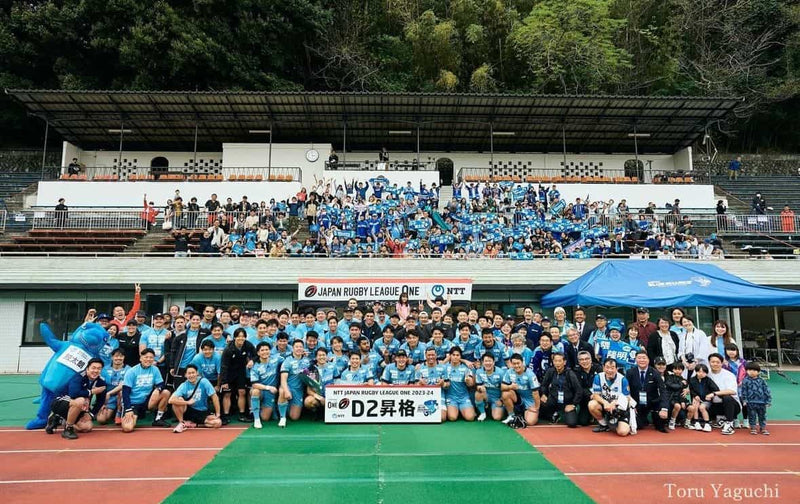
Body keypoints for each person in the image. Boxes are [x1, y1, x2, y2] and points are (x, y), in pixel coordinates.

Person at [45, 358, 106, 439]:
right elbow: (73, 394)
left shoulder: (101, 381)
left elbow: (101, 400)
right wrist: (91, 392)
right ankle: (68, 429)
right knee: (80, 400)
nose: (95, 371)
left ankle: (58, 420)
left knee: (87, 427)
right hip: (60, 402)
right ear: (87, 368)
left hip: (78, 407)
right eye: (93, 368)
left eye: (99, 368)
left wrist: (90, 414)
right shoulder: (78, 376)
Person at [121, 348, 172, 432]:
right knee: (127, 428)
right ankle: (130, 415)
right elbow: (125, 392)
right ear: (140, 358)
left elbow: (161, 384)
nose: (148, 359)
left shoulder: (155, 369)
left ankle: (158, 419)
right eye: (146, 357)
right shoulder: (132, 371)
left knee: (165, 392)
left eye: (151, 357)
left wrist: (158, 389)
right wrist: (128, 409)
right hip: (133, 403)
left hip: (147, 401)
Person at [169, 364, 222, 433]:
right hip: (189, 411)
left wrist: (217, 413)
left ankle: (195, 424)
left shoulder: (204, 381)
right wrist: (187, 402)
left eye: (193, 373)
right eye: (189, 373)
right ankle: (181, 423)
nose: (191, 375)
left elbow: (214, 397)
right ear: (185, 375)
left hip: (202, 411)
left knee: (217, 423)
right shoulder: (184, 385)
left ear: (197, 373)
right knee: (178, 400)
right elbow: (171, 400)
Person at [218, 328, 256, 425]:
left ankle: (242, 414)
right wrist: (224, 381)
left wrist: (252, 360)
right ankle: (226, 416)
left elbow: (256, 355)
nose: (241, 338)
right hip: (229, 373)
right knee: (227, 394)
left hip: (241, 372)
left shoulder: (248, 345)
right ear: (234, 337)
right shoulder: (228, 349)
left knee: (242, 392)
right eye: (238, 336)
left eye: (243, 336)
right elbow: (224, 366)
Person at [626, 351, 668, 432]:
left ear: (648, 360)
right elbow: (626, 391)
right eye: (639, 358)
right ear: (635, 360)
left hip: (652, 402)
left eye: (644, 358)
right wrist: (631, 405)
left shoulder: (655, 373)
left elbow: (663, 391)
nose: (642, 360)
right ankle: (643, 419)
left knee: (660, 426)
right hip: (637, 404)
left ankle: (656, 416)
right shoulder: (630, 372)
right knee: (638, 425)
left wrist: (664, 408)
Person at [589, 358, 632, 436]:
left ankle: (616, 424)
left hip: (619, 409)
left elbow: (627, 398)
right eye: (607, 367)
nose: (610, 370)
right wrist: (605, 403)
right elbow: (595, 395)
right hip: (605, 406)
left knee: (622, 432)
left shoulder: (623, 379)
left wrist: (615, 403)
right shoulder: (598, 377)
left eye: (612, 368)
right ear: (603, 368)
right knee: (592, 404)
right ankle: (604, 425)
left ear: (616, 369)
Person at [539, 352, 582, 427]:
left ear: (564, 362)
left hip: (567, 402)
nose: (557, 363)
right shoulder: (550, 371)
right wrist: (543, 394)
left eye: (560, 361)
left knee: (572, 423)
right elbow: (544, 385)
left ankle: (561, 415)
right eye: (555, 361)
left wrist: (573, 404)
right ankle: (554, 414)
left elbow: (579, 390)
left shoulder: (570, 374)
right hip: (553, 400)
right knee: (537, 407)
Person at [277, 338, 312, 427]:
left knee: (294, 417)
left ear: (303, 348)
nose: (299, 348)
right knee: (282, 391)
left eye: (301, 347)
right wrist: (287, 390)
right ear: (293, 348)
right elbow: (283, 379)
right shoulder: (287, 361)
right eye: (296, 347)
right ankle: (282, 417)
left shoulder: (307, 361)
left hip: (298, 390)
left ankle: (283, 407)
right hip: (288, 386)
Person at [501, 353, 541, 426]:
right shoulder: (509, 372)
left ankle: (526, 414)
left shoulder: (530, 374)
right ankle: (511, 416)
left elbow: (536, 393)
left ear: (522, 362)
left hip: (530, 400)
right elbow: (502, 387)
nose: (516, 366)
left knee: (530, 422)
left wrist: (536, 407)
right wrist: (510, 387)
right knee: (505, 393)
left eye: (518, 363)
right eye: (514, 364)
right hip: (518, 398)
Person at [707, 353, 741, 435]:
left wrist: (714, 393)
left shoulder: (729, 375)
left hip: (732, 406)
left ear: (722, 363)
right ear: (709, 362)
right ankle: (717, 420)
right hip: (714, 405)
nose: (715, 364)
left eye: (718, 362)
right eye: (713, 362)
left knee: (727, 397)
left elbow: (732, 391)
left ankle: (729, 424)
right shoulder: (706, 374)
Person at [739, 362, 772, 435]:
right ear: (746, 371)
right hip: (751, 402)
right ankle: (753, 427)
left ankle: (763, 427)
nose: (752, 372)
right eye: (749, 370)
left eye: (754, 370)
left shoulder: (762, 380)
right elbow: (744, 391)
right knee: (752, 415)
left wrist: (768, 400)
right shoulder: (745, 381)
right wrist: (744, 400)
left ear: (758, 372)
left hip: (761, 402)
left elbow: (766, 390)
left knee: (762, 415)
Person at [443, 347, 475, 422]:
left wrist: (468, 381)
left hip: (463, 397)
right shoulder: (444, 368)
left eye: (457, 355)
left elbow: (471, 384)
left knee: (470, 418)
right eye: (453, 355)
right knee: (452, 418)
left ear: (460, 357)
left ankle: (463, 409)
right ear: (450, 356)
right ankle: (457, 410)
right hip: (451, 397)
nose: (455, 357)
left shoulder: (465, 368)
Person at [574, 351, 601, 426]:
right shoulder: (576, 372)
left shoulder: (599, 369)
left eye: (587, 359)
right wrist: (591, 395)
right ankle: (591, 415)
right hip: (586, 399)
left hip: (600, 397)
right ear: (579, 362)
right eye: (582, 360)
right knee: (583, 422)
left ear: (591, 360)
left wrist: (596, 395)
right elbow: (579, 388)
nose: (584, 361)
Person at [474, 353, 505, 422]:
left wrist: (501, 400)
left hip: (497, 398)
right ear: (482, 363)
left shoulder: (500, 372)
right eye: (486, 361)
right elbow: (478, 385)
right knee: (478, 393)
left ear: (494, 362)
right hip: (486, 395)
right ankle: (482, 413)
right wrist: (480, 388)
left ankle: (497, 408)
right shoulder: (479, 371)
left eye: (490, 361)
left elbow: (504, 389)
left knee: (497, 417)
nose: (488, 363)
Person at [687, 363, 717, 432]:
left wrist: (710, 395)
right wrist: (695, 396)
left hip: (706, 400)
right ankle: (696, 422)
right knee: (695, 405)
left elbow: (716, 389)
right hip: (697, 399)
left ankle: (707, 424)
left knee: (702, 407)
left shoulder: (708, 380)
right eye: (699, 371)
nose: (701, 374)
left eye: (704, 372)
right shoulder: (692, 380)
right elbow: (691, 390)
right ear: (696, 372)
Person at [661, 360, 688, 430]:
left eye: (679, 369)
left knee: (690, 408)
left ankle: (687, 422)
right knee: (677, 406)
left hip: (679, 398)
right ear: (672, 369)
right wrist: (681, 384)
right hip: (671, 398)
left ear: (682, 370)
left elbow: (683, 391)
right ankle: (672, 421)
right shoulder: (669, 377)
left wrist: (682, 401)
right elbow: (673, 386)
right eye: (675, 369)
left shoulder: (684, 379)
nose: (677, 371)